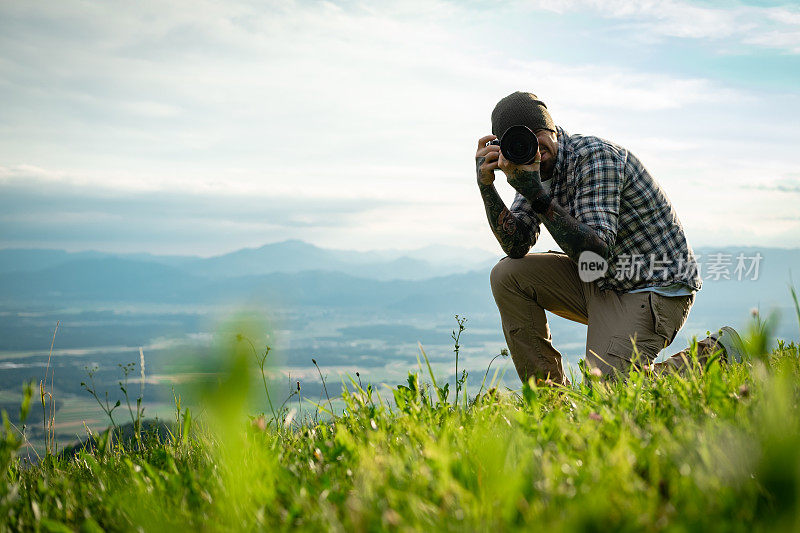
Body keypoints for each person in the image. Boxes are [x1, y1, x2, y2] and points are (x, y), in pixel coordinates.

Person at [475, 91, 743, 385]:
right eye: (520, 141)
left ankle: (716, 353)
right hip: (602, 279)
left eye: (538, 133)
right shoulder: (530, 169)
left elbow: (597, 252)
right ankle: (550, 402)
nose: (535, 146)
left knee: (606, 389)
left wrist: (534, 191)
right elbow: (516, 245)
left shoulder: (595, 157)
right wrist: (487, 187)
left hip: (654, 285)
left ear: (554, 130)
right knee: (507, 275)